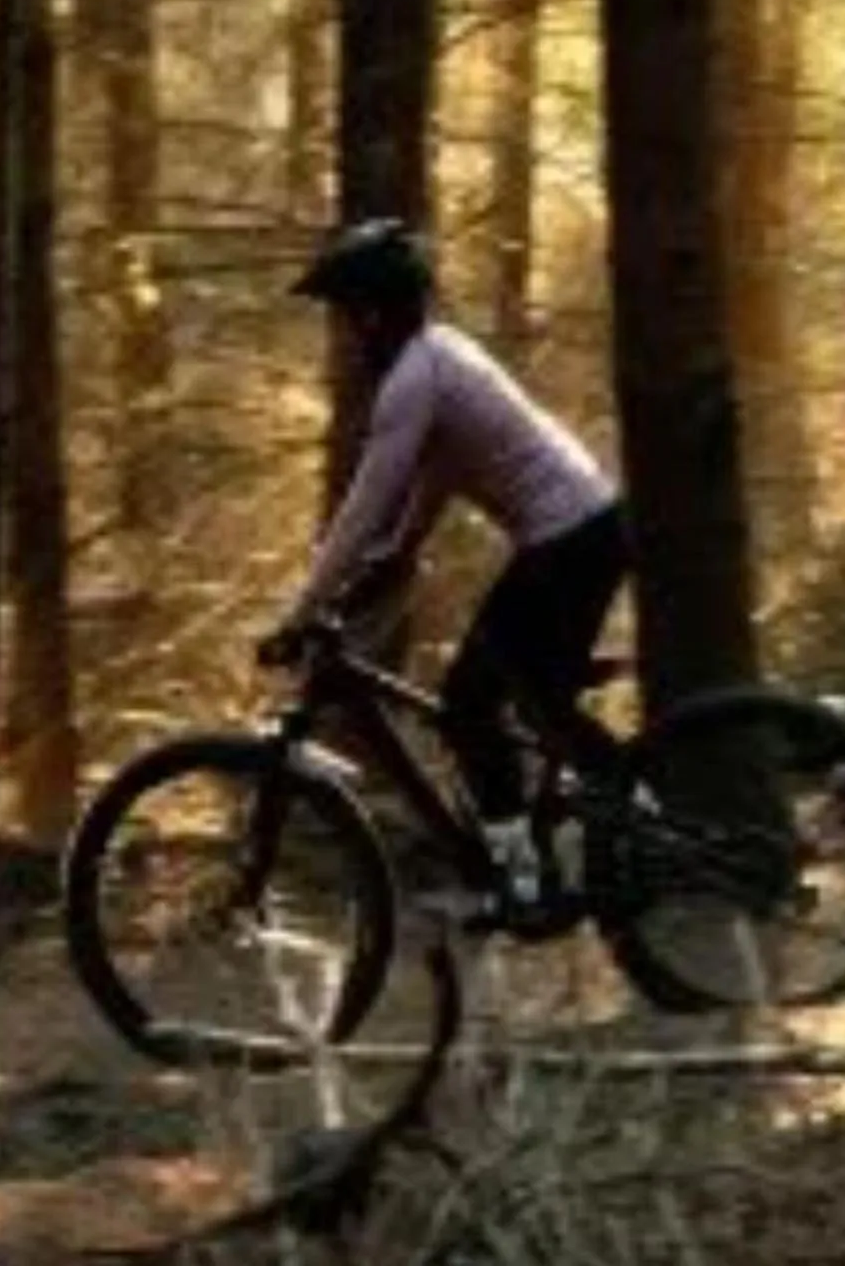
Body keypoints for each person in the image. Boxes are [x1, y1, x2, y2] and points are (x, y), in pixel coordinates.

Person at [262, 217, 631, 922]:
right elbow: (441, 469)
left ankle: (526, 883)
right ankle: (625, 807)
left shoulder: (413, 378)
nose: (342, 337)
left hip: (569, 538)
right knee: (530, 702)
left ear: (373, 312)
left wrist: (302, 610)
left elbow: (366, 501)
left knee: (468, 704)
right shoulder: (440, 355)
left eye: (344, 317)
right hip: (584, 529)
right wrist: (397, 553)